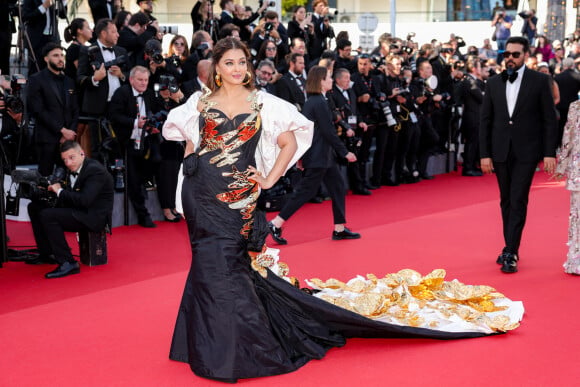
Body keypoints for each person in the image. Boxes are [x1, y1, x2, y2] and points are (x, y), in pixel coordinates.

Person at [163, 38, 524, 383]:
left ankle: (227, 350)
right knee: (207, 262)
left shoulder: (262, 102)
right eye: (230, 63)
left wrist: (270, 179)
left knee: (227, 264)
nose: (238, 68)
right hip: (202, 194)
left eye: (243, 62)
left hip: (239, 198)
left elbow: (290, 139)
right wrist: (189, 180)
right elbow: (191, 144)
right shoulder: (199, 101)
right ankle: (203, 344)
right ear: (217, 69)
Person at [480, 36, 559, 274]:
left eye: (515, 54)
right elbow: (485, 121)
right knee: (505, 200)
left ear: (526, 55)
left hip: (527, 151)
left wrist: (549, 153)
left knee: (518, 198)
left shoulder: (540, 81)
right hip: (500, 149)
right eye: (507, 54)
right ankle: (510, 246)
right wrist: (485, 154)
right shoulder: (493, 83)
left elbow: (549, 120)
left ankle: (510, 251)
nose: (510, 59)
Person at [269, 65, 360, 245]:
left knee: (338, 187)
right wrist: (345, 152)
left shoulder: (316, 101)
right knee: (305, 191)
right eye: (328, 77)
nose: (331, 80)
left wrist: (302, 156)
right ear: (320, 81)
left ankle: (339, 228)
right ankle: (275, 223)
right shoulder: (318, 102)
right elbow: (328, 131)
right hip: (319, 156)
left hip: (322, 155)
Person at [26, 140, 114, 278]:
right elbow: (71, 194)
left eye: (71, 157)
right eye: (65, 159)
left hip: (92, 216)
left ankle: (68, 262)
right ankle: (47, 254)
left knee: (48, 215)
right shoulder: (72, 168)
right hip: (78, 208)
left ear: (82, 153)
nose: (68, 163)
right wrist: (50, 189)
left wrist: (59, 191)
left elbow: (85, 200)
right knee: (35, 207)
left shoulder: (95, 170)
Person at [108, 65, 159, 228]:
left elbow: (156, 113)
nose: (144, 83)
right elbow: (113, 116)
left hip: (147, 143)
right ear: (131, 80)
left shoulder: (150, 94)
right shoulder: (122, 93)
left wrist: (153, 126)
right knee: (134, 179)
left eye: (146, 80)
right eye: (140, 80)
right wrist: (136, 123)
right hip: (125, 144)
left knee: (159, 162)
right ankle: (143, 215)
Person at [27, 42, 79, 177]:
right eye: (55, 55)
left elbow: (75, 109)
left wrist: (70, 133)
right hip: (47, 139)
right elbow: (38, 111)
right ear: (46, 59)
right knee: (44, 179)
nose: (60, 59)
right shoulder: (36, 80)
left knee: (68, 178)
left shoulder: (69, 81)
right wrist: (62, 131)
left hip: (68, 140)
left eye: (62, 55)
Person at [555, 100, 580, 275]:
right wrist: (562, 164)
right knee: (578, 214)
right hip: (579, 168)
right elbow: (568, 136)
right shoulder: (576, 106)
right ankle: (576, 261)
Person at [22, 0, 68, 74]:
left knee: (54, 66)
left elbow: (63, 15)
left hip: (53, 37)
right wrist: (43, 7)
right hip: (37, 38)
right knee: (36, 68)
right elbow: (25, 17)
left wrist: (63, 2)